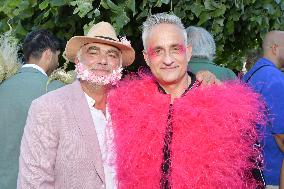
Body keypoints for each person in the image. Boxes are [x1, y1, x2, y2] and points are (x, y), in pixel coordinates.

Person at [107, 13, 265, 188]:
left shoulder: (224, 105)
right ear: (146, 57)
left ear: (188, 52)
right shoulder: (129, 107)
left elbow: (253, 178)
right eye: (158, 51)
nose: (168, 60)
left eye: (175, 49)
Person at [17, 22, 136, 189]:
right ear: (78, 60)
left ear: (120, 64)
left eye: (112, 55)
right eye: (93, 52)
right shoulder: (48, 108)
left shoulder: (132, 111)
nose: (103, 61)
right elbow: (34, 183)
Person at [0, 29, 64, 189]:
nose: (58, 62)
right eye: (58, 56)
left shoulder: (3, 87)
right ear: (48, 54)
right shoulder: (58, 91)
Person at [242, 30, 284, 188]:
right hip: (275, 176)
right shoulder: (275, 79)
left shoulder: (251, 75)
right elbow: (281, 135)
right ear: (275, 48)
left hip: (255, 172)